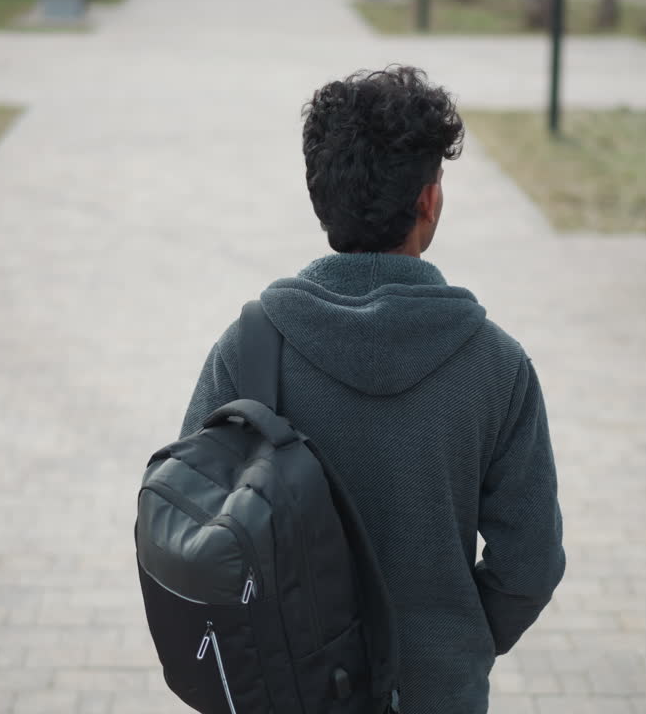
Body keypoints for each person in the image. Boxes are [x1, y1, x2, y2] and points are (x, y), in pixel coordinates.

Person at [179, 65, 565, 714]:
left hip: (283, 690)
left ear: (319, 195)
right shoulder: (498, 366)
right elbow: (529, 567)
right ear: (428, 202)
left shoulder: (249, 347)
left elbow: (190, 529)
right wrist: (455, 643)